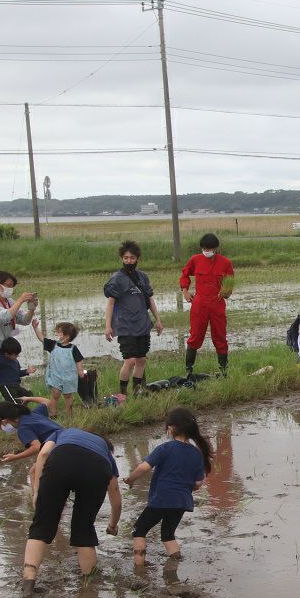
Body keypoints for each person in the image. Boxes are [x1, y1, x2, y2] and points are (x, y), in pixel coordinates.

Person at [22, 427, 123, 592]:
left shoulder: (64, 432)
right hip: (96, 469)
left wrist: (37, 492)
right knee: (84, 529)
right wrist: (112, 525)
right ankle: (89, 587)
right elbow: (116, 498)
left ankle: (28, 583)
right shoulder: (105, 454)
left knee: (41, 526)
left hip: (61, 459)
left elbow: (43, 454)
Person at [124, 407, 212, 563]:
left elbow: (144, 468)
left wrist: (131, 479)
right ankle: (174, 567)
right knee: (167, 535)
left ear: (170, 428)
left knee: (139, 530)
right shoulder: (196, 453)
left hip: (162, 499)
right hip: (181, 502)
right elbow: (198, 483)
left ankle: (139, 570)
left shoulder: (165, 448)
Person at [104, 240, 164, 396]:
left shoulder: (143, 277)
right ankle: (122, 394)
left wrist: (158, 320)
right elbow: (110, 304)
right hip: (125, 326)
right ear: (122, 259)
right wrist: (108, 326)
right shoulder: (117, 279)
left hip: (142, 324)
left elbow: (150, 300)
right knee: (129, 361)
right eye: (126, 258)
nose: (129, 261)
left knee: (141, 360)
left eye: (132, 258)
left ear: (138, 258)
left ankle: (137, 392)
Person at [0, 271, 37, 425]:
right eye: (8, 286)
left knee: (9, 381)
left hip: (4, 349)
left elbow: (23, 320)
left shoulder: (9, 301)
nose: (10, 289)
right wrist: (21, 300)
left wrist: (31, 308)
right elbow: (5, 316)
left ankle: (11, 416)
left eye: (12, 287)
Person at [179, 232, 234, 378]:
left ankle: (224, 372)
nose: (206, 251)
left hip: (217, 304)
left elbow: (229, 285)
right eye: (204, 248)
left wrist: (226, 293)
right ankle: (188, 371)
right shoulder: (195, 260)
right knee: (195, 336)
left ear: (216, 248)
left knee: (220, 337)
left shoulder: (226, 263)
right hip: (199, 304)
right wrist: (185, 291)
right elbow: (184, 274)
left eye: (209, 249)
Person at [31, 318, 85, 419]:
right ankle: (53, 413)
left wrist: (80, 371)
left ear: (67, 336)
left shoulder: (73, 348)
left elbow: (79, 360)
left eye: (59, 332)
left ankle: (69, 414)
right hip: (56, 375)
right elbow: (42, 338)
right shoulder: (53, 345)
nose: (57, 333)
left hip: (69, 377)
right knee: (55, 394)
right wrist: (35, 328)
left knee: (68, 396)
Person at [0, 398, 63, 464]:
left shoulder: (23, 428)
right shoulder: (33, 413)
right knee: (34, 470)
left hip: (61, 448)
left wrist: (15, 457)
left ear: (4, 421)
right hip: (68, 436)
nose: (1, 429)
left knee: (38, 472)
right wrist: (28, 399)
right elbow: (47, 402)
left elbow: (36, 447)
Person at [0, 337, 36, 404]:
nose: (17, 356)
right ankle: (18, 411)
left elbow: (17, 373)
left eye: (18, 354)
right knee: (15, 403)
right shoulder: (1, 359)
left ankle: (21, 410)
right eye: (15, 354)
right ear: (6, 354)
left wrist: (26, 371)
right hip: (7, 387)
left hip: (16, 386)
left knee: (29, 396)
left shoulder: (15, 361)